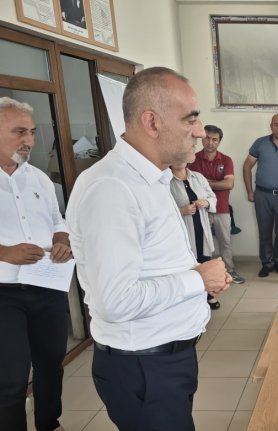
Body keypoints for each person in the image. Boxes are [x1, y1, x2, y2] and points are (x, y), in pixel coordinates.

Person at [65, 67, 232, 431]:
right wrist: (197, 280)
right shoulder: (112, 188)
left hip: (165, 360)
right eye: (190, 119)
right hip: (144, 367)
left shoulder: (152, 178)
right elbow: (115, 300)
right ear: (152, 122)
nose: (201, 131)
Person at [0, 97, 72, 431]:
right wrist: (4, 253)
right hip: (4, 294)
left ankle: (49, 423)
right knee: (11, 375)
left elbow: (58, 220)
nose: (29, 140)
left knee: (50, 363)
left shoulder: (40, 179)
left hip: (47, 284)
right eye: (19, 132)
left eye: (31, 132)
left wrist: (62, 240)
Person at [243, 113, 278, 277]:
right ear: (271, 126)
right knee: (264, 231)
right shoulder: (260, 143)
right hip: (263, 195)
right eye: (276, 124)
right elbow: (247, 167)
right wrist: (249, 191)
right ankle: (266, 263)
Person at [189, 124, 245, 283]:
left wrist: (204, 183)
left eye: (214, 139)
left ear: (219, 142)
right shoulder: (193, 159)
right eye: (207, 138)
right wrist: (216, 183)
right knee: (201, 241)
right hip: (200, 209)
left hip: (221, 209)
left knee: (225, 243)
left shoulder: (226, 160)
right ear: (202, 138)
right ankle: (202, 274)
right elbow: (193, 185)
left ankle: (230, 271)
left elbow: (228, 184)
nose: (210, 142)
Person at [170, 161, 220, 309]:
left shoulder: (197, 177)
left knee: (204, 261)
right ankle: (193, 298)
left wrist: (206, 202)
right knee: (189, 264)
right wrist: (181, 211)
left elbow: (212, 196)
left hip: (201, 226)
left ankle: (210, 295)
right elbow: (162, 209)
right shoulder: (166, 181)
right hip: (183, 229)